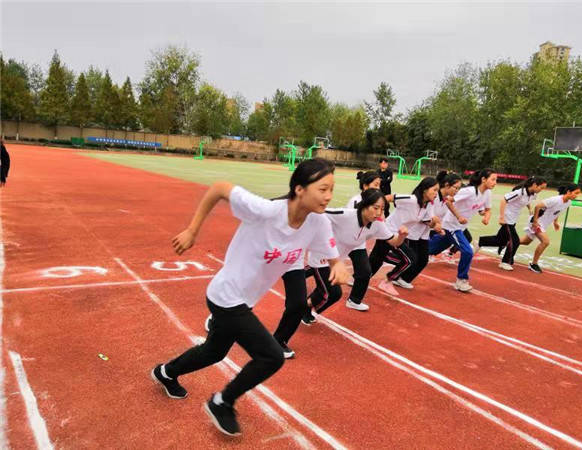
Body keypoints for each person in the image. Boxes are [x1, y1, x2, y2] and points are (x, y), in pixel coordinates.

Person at [151, 158, 348, 436]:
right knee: (271, 356)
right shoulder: (266, 211)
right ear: (300, 189)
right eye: (323, 189)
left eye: (331, 189)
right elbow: (219, 188)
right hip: (226, 295)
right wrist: (193, 230)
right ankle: (223, 402)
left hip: (244, 300)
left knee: (214, 352)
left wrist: (337, 264)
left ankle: (166, 372)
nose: (328, 196)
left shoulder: (318, 222)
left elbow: (331, 255)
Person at [302, 188, 407, 324]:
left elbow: (394, 241)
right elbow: (317, 212)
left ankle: (304, 307)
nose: (379, 213)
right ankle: (300, 308)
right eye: (375, 208)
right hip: (321, 257)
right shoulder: (345, 215)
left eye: (382, 209)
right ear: (364, 205)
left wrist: (402, 236)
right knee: (334, 292)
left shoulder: (377, 225)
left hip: (337, 262)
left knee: (326, 291)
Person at [429, 169, 497, 292]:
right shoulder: (469, 191)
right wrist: (458, 216)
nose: (495, 182)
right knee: (468, 251)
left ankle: (414, 251)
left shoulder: (487, 194)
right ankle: (461, 280)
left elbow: (486, 209)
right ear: (483, 179)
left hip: (459, 227)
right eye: (493, 179)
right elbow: (448, 201)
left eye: (496, 180)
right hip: (452, 226)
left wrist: (486, 216)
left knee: (430, 249)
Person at [369, 177, 439, 295]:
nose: (436, 193)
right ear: (425, 190)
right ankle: (382, 281)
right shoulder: (411, 199)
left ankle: (375, 278)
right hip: (388, 231)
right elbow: (387, 198)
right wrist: (380, 214)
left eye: (438, 191)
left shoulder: (426, 206)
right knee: (409, 259)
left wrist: (435, 223)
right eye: (434, 190)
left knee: (380, 259)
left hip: (399, 235)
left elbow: (427, 222)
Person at [475, 177, 547, 271]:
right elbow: (504, 200)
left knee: (500, 240)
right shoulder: (520, 192)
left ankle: (480, 242)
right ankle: (505, 262)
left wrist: (529, 208)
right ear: (534, 185)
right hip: (507, 218)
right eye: (540, 188)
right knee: (515, 240)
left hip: (513, 219)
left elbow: (526, 201)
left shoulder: (533, 194)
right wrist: (501, 217)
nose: (541, 190)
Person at [519, 183, 581, 274]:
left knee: (525, 242)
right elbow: (538, 206)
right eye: (576, 193)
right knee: (545, 241)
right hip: (536, 222)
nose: (577, 196)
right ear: (568, 192)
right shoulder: (555, 200)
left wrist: (555, 222)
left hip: (543, 224)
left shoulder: (568, 203)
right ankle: (534, 264)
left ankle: (506, 242)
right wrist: (535, 221)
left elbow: (557, 212)